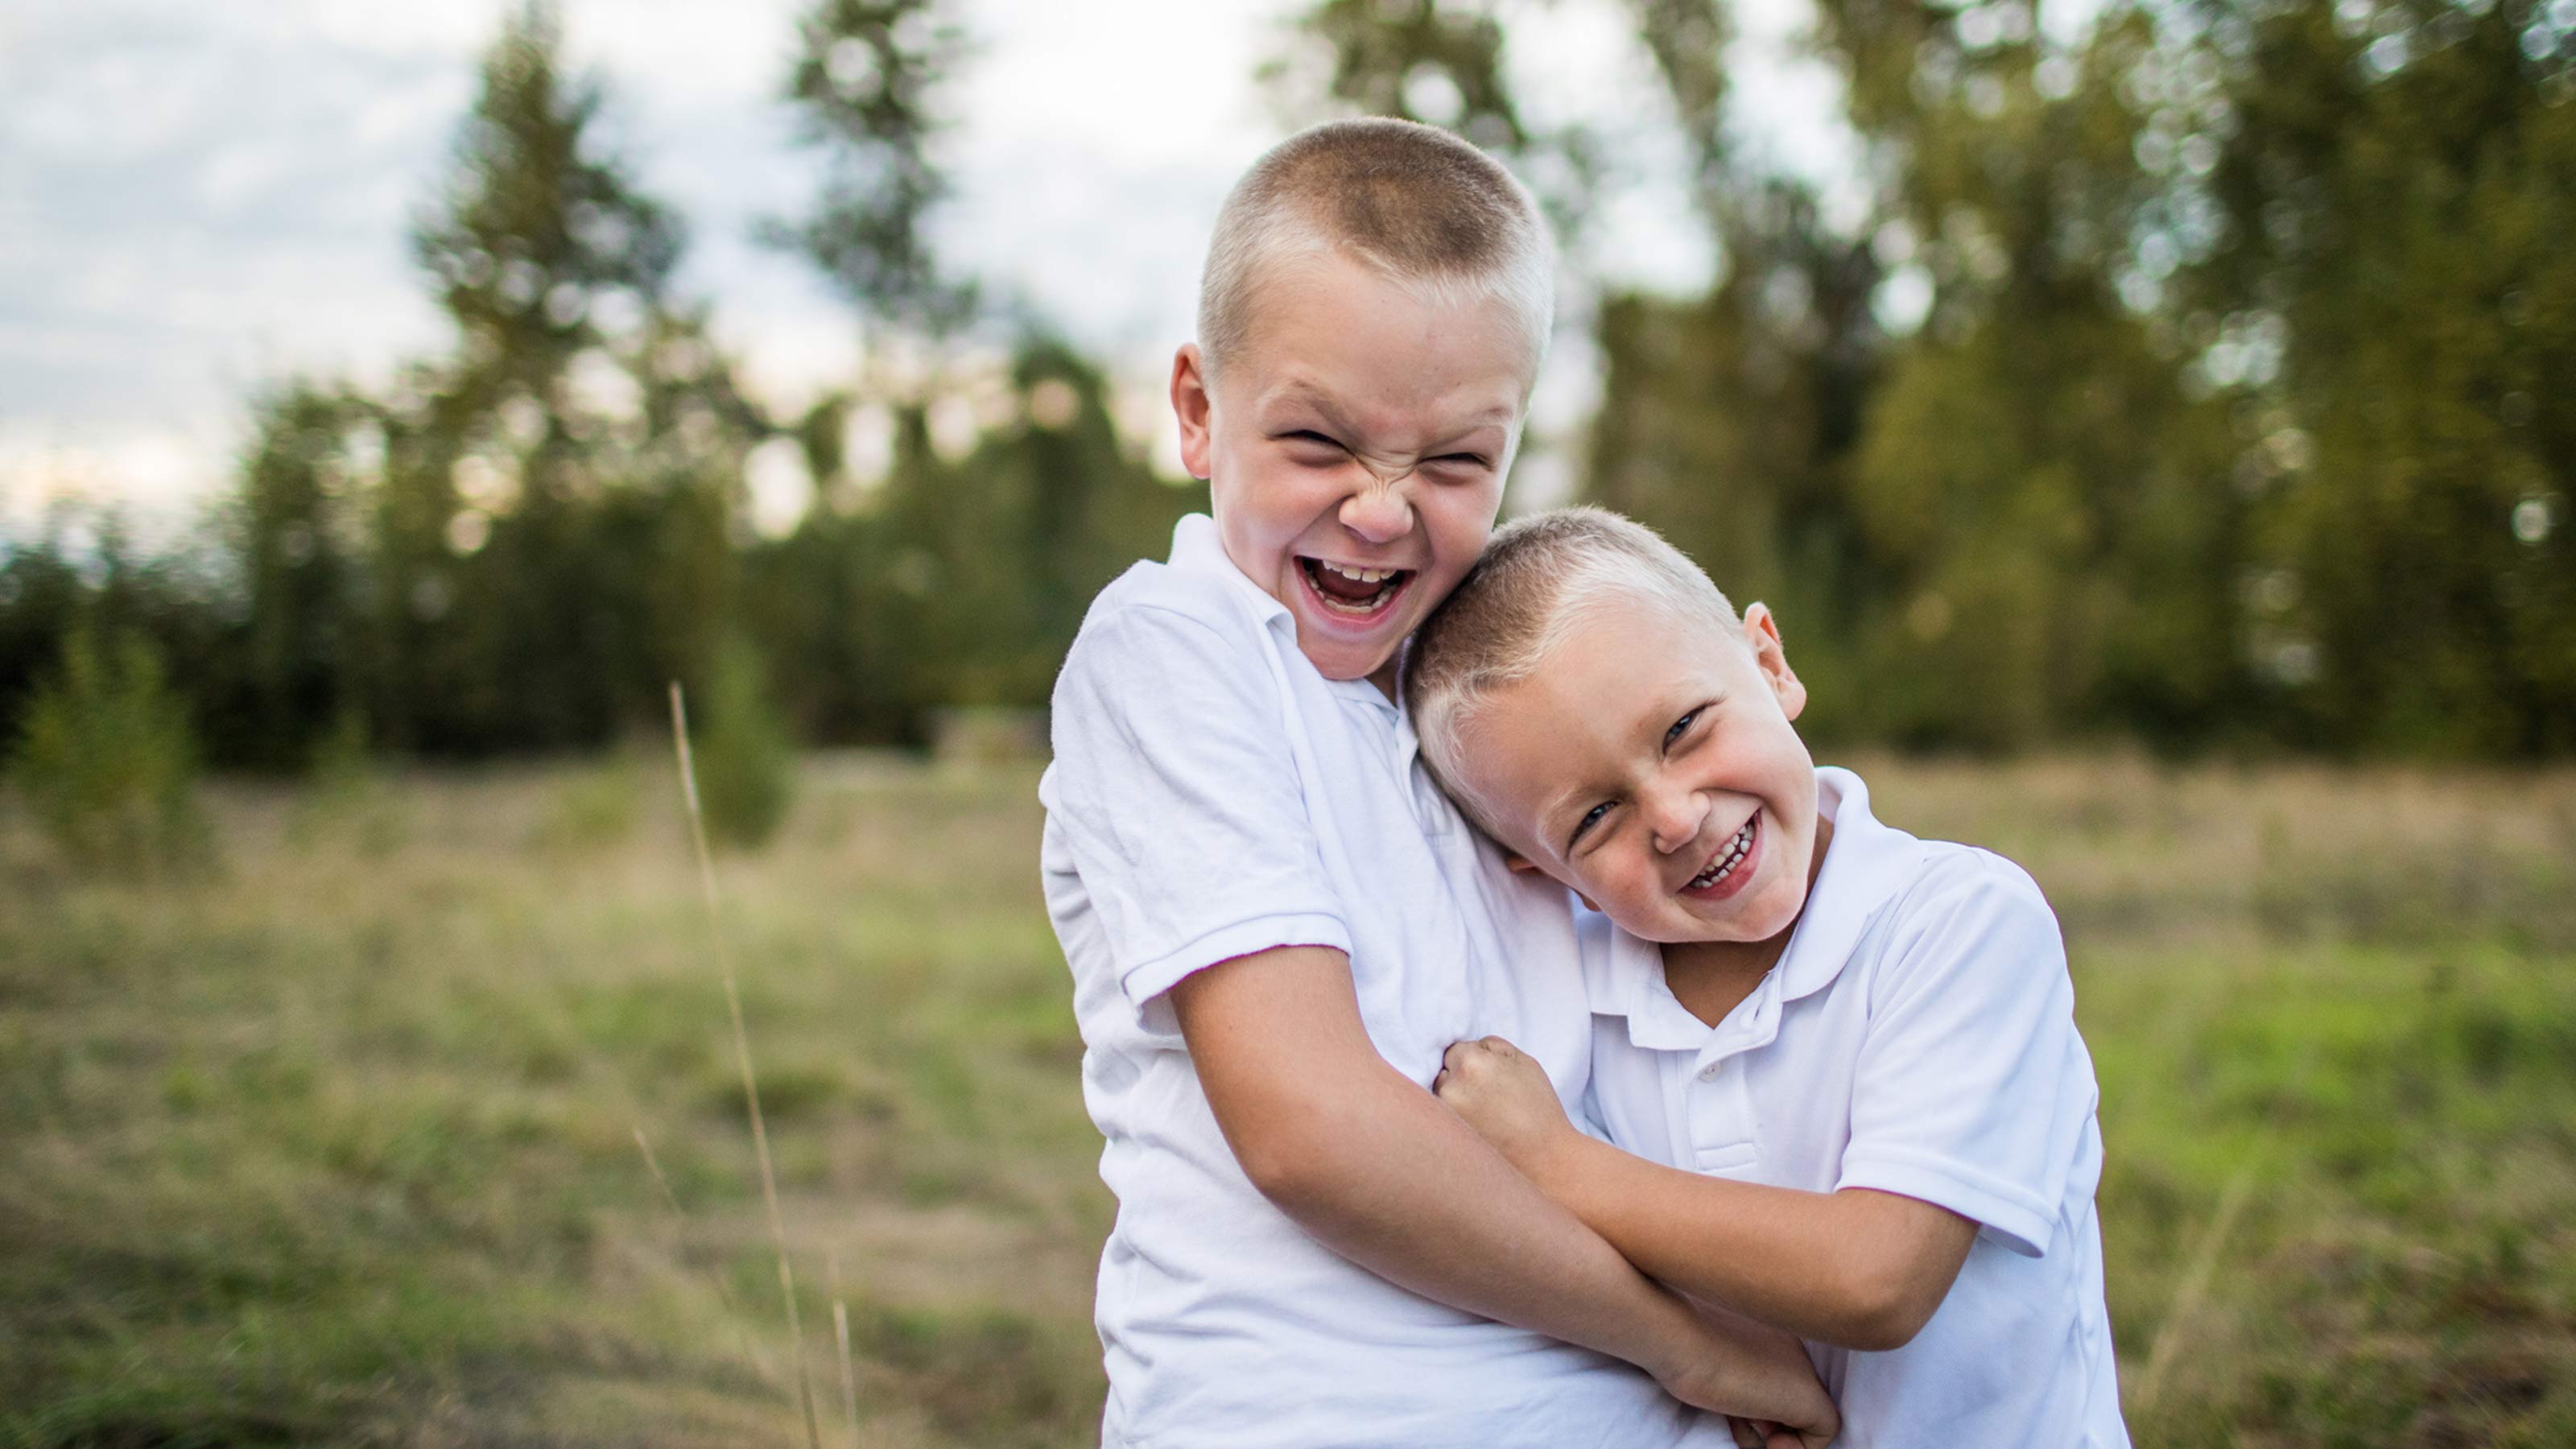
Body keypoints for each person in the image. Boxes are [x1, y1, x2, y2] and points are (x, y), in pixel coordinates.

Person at [1038, 122, 1837, 1448]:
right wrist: (1695, 1349)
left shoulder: (1470, 710)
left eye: (1456, 461)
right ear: (1196, 409)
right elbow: (1311, 1129)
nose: (1381, 512)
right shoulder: (1175, 651)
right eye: (1318, 441)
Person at [1404, 506, 2131, 1447]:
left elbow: (1876, 1280)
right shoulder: (1564, 1001)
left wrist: (1556, 1165)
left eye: (1682, 728)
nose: (1672, 816)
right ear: (1531, 868)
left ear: (1768, 663)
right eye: (1592, 819)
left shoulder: (1956, 920)